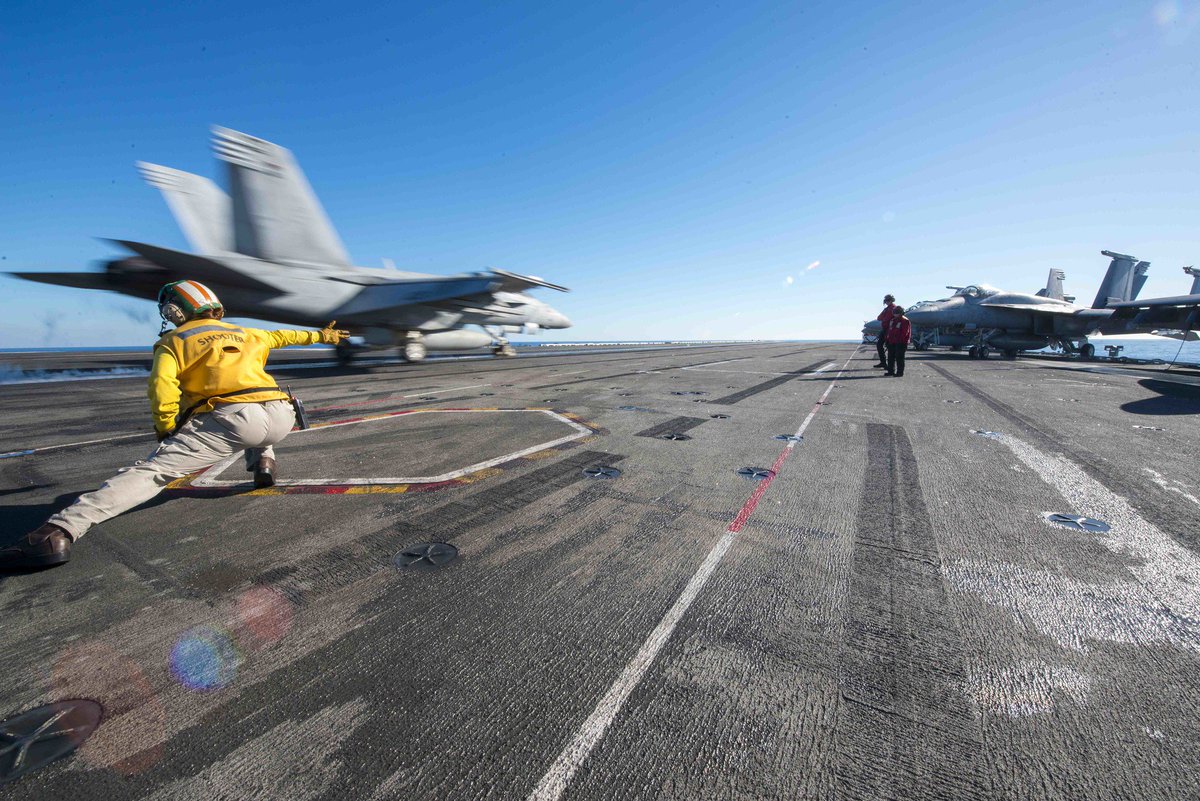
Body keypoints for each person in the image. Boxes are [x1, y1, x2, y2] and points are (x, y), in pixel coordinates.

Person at [0, 280, 349, 569]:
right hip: (281, 415)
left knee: (153, 473)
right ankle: (264, 463)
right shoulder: (248, 332)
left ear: (175, 312)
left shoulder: (172, 341)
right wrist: (325, 336)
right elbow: (288, 337)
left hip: (233, 421)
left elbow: (162, 388)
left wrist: (167, 428)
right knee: (254, 407)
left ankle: (56, 533)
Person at [884, 305, 911, 377]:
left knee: (899, 357)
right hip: (892, 342)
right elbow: (890, 331)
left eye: (896, 312)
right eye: (894, 312)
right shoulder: (892, 320)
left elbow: (905, 332)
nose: (895, 314)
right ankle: (890, 371)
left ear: (901, 313)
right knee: (890, 357)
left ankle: (900, 372)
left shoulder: (905, 321)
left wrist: (899, 341)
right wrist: (887, 339)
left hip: (901, 342)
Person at [874, 294, 896, 367]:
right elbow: (879, 317)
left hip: (890, 330)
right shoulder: (887, 308)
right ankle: (883, 362)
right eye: (886, 300)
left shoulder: (893, 308)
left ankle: (889, 366)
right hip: (885, 329)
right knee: (879, 345)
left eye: (887, 300)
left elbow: (885, 318)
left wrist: (885, 319)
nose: (886, 301)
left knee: (889, 347)